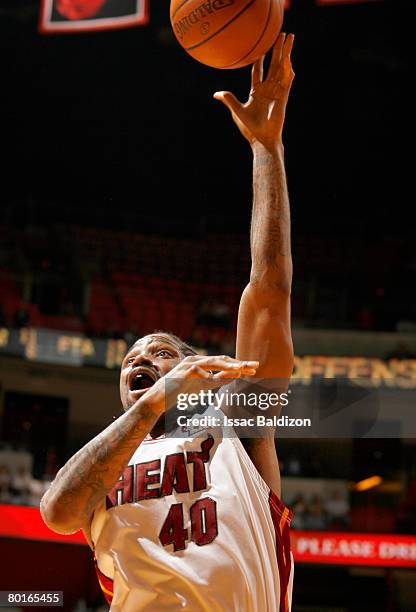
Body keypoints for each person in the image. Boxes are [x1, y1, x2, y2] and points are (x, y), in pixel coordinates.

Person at [41, 33, 296, 611]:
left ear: (191, 370)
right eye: (130, 359)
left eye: (157, 353)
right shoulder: (104, 464)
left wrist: (266, 150)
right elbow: (57, 514)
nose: (137, 361)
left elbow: (269, 289)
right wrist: (151, 405)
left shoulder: (237, 424)